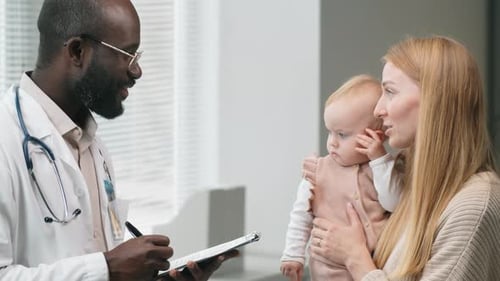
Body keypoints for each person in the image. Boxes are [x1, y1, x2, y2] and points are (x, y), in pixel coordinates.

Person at [0, 0, 236, 280]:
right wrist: (108, 268)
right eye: (127, 54)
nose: (137, 71)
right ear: (77, 51)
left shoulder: (94, 148)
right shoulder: (7, 139)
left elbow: (97, 260)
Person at [309, 36, 500, 281]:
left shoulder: (475, 206)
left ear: (435, 100)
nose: (378, 110)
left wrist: (355, 259)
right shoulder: (403, 181)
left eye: (389, 91)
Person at [280, 75, 401, 281]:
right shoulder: (317, 172)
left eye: (342, 135)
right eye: (330, 133)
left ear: (376, 136)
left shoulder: (381, 169)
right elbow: (301, 215)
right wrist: (293, 254)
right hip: (327, 271)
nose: (332, 143)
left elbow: (394, 203)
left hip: (373, 268)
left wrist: (379, 159)